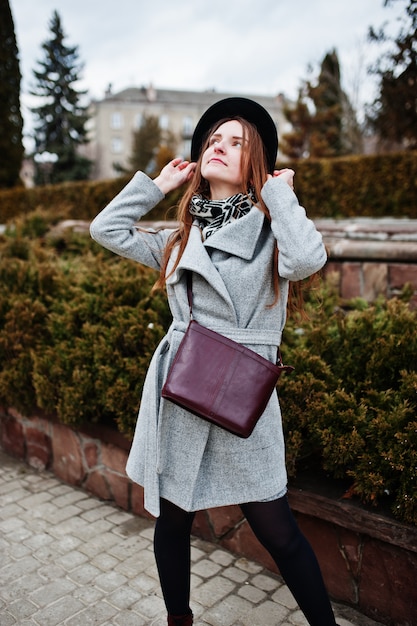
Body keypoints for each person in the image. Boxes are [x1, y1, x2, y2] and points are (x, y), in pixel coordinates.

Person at [90, 97, 338, 626]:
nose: (218, 147)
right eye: (212, 141)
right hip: (183, 393)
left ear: (256, 165)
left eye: (235, 142)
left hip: (241, 399)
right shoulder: (180, 239)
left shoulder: (273, 233)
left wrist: (278, 193)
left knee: (279, 532)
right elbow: (105, 230)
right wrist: (155, 188)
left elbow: (310, 259)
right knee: (173, 523)